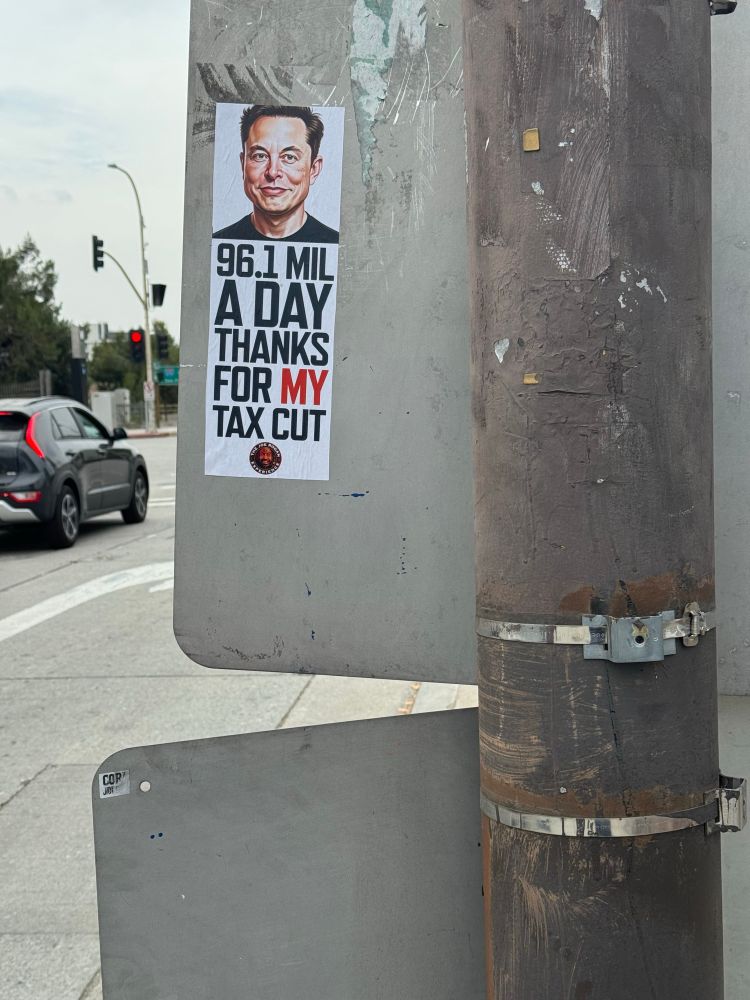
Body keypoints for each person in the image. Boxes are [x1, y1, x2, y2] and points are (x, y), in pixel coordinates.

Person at [213, 105, 339, 244]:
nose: (273, 172)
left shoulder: (335, 247)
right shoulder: (217, 244)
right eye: (260, 156)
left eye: (289, 157)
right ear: (243, 165)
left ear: (314, 169)